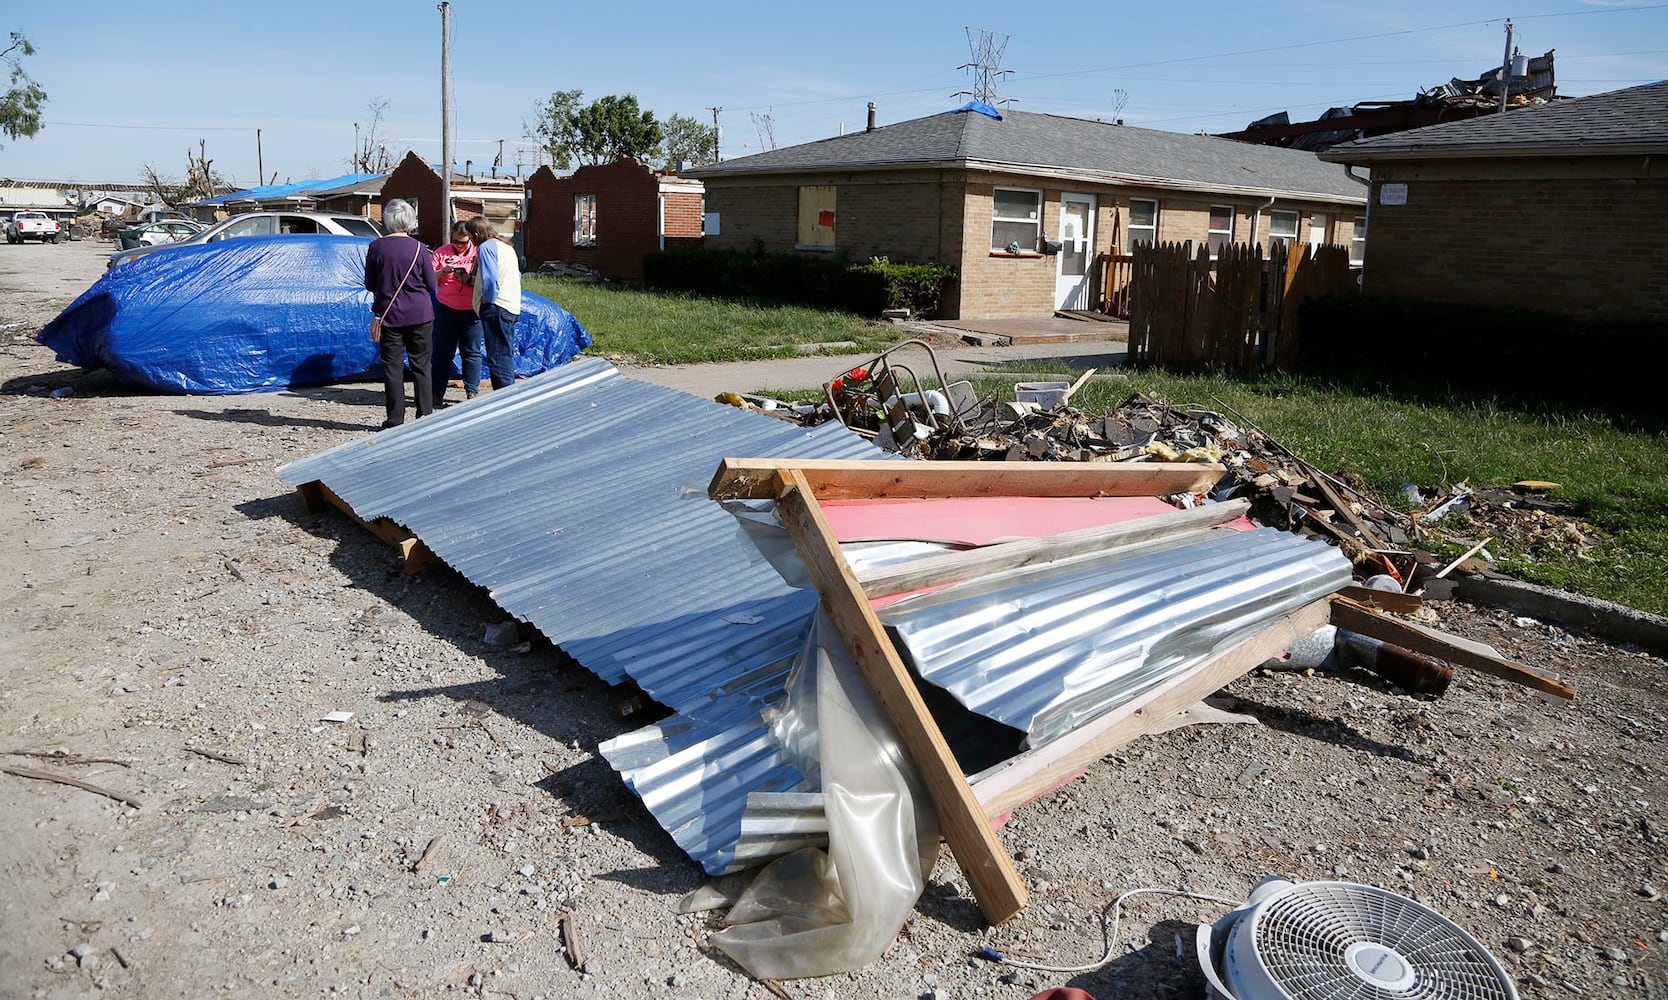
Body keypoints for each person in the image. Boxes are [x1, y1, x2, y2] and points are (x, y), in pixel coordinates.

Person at [364, 198, 438, 428]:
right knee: (422, 365)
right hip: (420, 313)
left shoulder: (376, 247)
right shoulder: (419, 248)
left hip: (389, 314)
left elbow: (370, 284)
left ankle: (395, 418)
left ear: (387, 220)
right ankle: (425, 414)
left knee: (392, 367)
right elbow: (431, 283)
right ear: (410, 221)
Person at [430, 220, 482, 406]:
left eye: (463, 242)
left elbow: (487, 280)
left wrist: (468, 279)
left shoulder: (478, 252)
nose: (459, 246)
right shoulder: (441, 253)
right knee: (442, 352)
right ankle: (436, 393)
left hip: (472, 310)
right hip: (446, 308)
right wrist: (442, 272)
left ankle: (472, 390)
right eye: (456, 242)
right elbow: (427, 279)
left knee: (472, 351)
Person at [467, 216, 521, 390]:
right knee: (505, 353)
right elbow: (517, 275)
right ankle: (509, 393)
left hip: (496, 306)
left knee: (497, 356)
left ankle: (504, 397)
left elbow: (490, 278)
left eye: (470, 237)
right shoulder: (506, 246)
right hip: (511, 305)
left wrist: (487, 297)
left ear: (476, 234)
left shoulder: (486, 247)